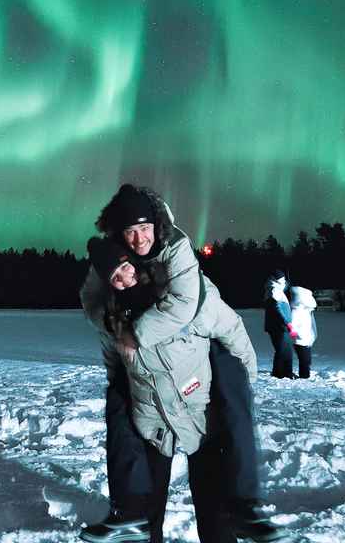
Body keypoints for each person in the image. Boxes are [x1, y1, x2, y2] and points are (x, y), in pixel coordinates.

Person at [79, 184, 284, 543]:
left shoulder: (192, 296)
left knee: (216, 513)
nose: (139, 238)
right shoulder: (113, 318)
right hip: (152, 421)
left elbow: (232, 330)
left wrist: (241, 387)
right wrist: (122, 382)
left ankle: (244, 508)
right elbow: (113, 360)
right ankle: (130, 517)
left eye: (144, 229)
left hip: (202, 413)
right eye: (130, 232)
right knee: (146, 514)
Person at [262, 271, 296, 379]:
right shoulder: (274, 290)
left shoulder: (275, 288)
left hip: (278, 326)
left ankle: (280, 372)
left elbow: (284, 288)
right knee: (284, 350)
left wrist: (288, 284)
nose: (285, 281)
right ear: (278, 280)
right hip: (279, 326)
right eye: (283, 279)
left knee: (283, 349)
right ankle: (284, 372)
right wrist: (287, 323)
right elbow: (278, 309)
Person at [287, 286, 317, 380]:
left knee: (306, 360)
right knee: (305, 360)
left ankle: (305, 375)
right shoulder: (297, 311)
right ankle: (304, 376)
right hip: (300, 340)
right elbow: (292, 325)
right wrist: (298, 335)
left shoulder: (305, 311)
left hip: (306, 339)